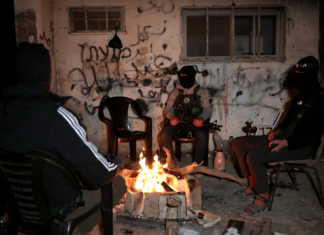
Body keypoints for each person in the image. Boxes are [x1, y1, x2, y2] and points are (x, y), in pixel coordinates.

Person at [0, 43, 126, 233]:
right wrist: (115, 166)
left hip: (19, 204)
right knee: (117, 183)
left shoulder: (3, 113)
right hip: (58, 207)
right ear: (48, 78)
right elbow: (96, 174)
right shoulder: (57, 117)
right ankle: (69, 230)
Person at [231, 56, 324, 215]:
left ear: (312, 74)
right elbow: (287, 123)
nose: (298, 77)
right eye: (297, 73)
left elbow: (315, 133)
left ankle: (263, 196)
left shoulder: (320, 98)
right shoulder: (298, 98)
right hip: (284, 140)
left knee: (254, 156)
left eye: (303, 73)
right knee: (238, 143)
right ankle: (252, 184)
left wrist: (286, 143)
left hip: (303, 146)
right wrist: (276, 132)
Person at [160, 66, 212, 168]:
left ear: (192, 77)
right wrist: (171, 117)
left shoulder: (203, 91)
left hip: (196, 124)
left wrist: (201, 117)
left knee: (202, 135)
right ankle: (172, 161)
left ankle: (197, 165)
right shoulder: (175, 92)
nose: (183, 78)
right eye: (181, 76)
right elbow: (168, 109)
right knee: (164, 133)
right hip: (179, 123)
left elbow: (208, 110)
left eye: (186, 76)